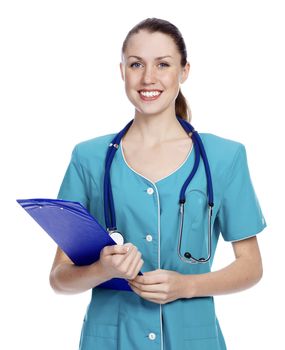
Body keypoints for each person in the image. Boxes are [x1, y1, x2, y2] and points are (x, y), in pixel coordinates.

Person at [49, 17, 267, 350]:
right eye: (136, 64)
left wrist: (187, 286)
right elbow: (59, 279)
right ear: (122, 71)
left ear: (184, 71)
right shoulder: (88, 159)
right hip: (112, 339)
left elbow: (251, 267)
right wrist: (102, 268)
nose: (148, 78)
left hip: (193, 339)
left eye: (163, 64)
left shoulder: (225, 157)